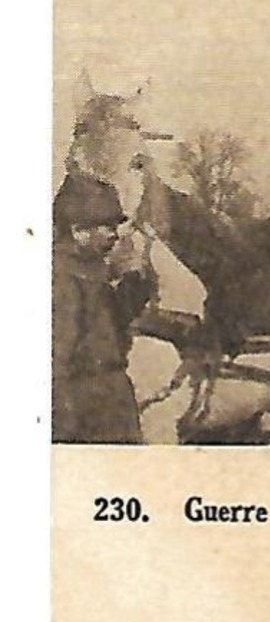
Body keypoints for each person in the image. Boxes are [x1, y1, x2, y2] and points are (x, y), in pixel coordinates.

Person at [52, 173, 154, 443]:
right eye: (106, 226)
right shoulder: (63, 278)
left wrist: (133, 280)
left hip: (110, 400)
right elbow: (57, 360)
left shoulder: (90, 270)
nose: (114, 235)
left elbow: (115, 324)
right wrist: (66, 432)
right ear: (78, 231)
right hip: (88, 409)